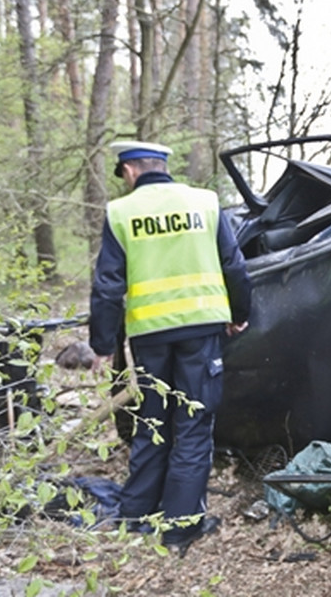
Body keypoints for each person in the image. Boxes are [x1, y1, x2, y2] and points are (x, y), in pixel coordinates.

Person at [88, 140, 252, 555]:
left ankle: (137, 513)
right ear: (161, 166)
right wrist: (239, 311)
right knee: (194, 427)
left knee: (152, 423)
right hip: (201, 332)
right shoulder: (205, 202)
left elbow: (108, 285)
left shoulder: (122, 212)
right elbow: (233, 264)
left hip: (149, 335)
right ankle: (180, 527)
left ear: (129, 172)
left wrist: (103, 345)